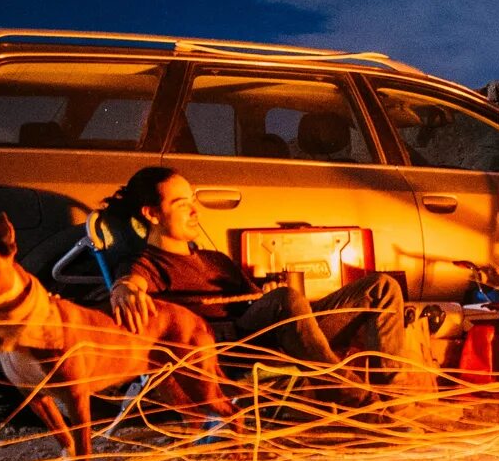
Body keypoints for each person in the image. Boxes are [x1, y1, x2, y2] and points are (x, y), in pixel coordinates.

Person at [103, 166, 407, 404]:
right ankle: (357, 402)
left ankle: (394, 406)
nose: (195, 211)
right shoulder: (147, 261)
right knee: (285, 299)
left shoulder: (214, 259)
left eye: (194, 201)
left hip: (275, 331)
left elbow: (257, 301)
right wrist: (125, 289)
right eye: (183, 205)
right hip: (228, 346)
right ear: (152, 213)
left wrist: (265, 294)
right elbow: (129, 282)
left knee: (381, 287)